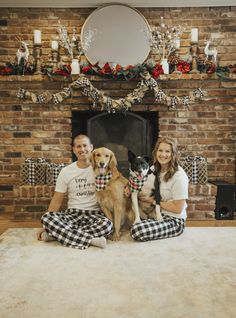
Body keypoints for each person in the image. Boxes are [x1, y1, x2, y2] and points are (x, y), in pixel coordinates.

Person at [37, 134, 113, 249]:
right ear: (73, 150)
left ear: (91, 147)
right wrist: (46, 226)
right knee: (47, 218)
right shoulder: (66, 171)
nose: (82, 149)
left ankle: (58, 235)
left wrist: (127, 188)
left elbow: (117, 182)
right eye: (78, 146)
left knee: (107, 225)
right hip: (72, 214)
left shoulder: (102, 169)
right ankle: (91, 240)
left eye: (85, 146)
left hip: (94, 215)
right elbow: (57, 200)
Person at [130, 137, 189, 242]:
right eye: (160, 150)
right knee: (133, 221)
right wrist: (128, 186)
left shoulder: (179, 176)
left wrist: (151, 200)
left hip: (173, 220)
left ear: (173, 154)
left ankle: (147, 225)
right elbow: (137, 178)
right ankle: (147, 223)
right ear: (155, 152)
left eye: (167, 151)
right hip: (156, 214)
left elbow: (178, 208)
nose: (163, 154)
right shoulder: (153, 168)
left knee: (137, 230)